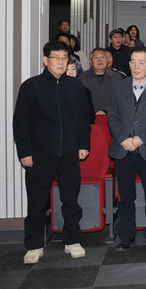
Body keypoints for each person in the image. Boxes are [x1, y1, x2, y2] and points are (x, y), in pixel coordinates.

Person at [13, 40, 91, 264]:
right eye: (56, 57)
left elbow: (83, 119)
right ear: (45, 60)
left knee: (71, 200)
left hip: (69, 153)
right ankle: (34, 245)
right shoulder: (31, 86)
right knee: (37, 202)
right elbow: (20, 122)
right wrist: (24, 151)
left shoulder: (75, 86)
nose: (60, 62)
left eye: (64, 58)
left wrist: (83, 145)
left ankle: (72, 241)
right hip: (39, 154)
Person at [106, 48, 146, 252]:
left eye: (141, 62)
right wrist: (123, 139)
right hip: (123, 150)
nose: (136, 66)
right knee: (125, 197)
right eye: (133, 61)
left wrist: (141, 139)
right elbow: (112, 116)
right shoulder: (118, 87)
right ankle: (126, 236)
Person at [81, 47, 123, 114]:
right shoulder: (82, 78)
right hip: (88, 116)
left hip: (112, 116)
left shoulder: (117, 78)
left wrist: (106, 111)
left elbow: (120, 99)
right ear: (90, 62)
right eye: (96, 58)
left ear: (107, 60)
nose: (99, 60)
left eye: (102, 57)